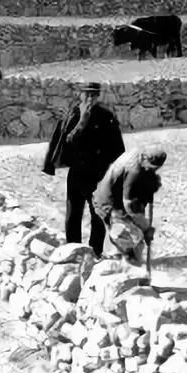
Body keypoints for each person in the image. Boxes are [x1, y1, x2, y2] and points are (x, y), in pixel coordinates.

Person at [43, 88, 126, 257]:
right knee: (73, 212)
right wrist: (81, 122)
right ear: (80, 95)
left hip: (99, 173)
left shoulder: (105, 116)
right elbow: (62, 141)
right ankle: (73, 250)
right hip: (78, 172)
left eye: (93, 94)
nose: (90, 98)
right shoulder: (72, 114)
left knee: (98, 215)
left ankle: (95, 252)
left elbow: (117, 146)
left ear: (98, 96)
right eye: (86, 94)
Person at [91, 147, 166, 265]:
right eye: (150, 167)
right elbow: (130, 205)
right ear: (145, 158)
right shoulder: (134, 171)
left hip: (114, 197)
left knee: (132, 234)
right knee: (131, 236)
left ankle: (126, 258)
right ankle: (120, 262)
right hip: (108, 204)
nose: (149, 169)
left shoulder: (138, 153)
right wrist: (146, 228)